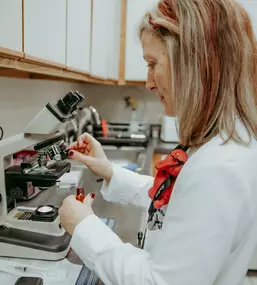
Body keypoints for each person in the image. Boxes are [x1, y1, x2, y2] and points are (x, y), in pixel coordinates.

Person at [58, 0, 257, 284]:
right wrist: (110, 171)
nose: (149, 83)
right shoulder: (224, 141)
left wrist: (84, 228)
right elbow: (181, 203)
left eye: (153, 64)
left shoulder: (218, 167)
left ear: (193, 64)